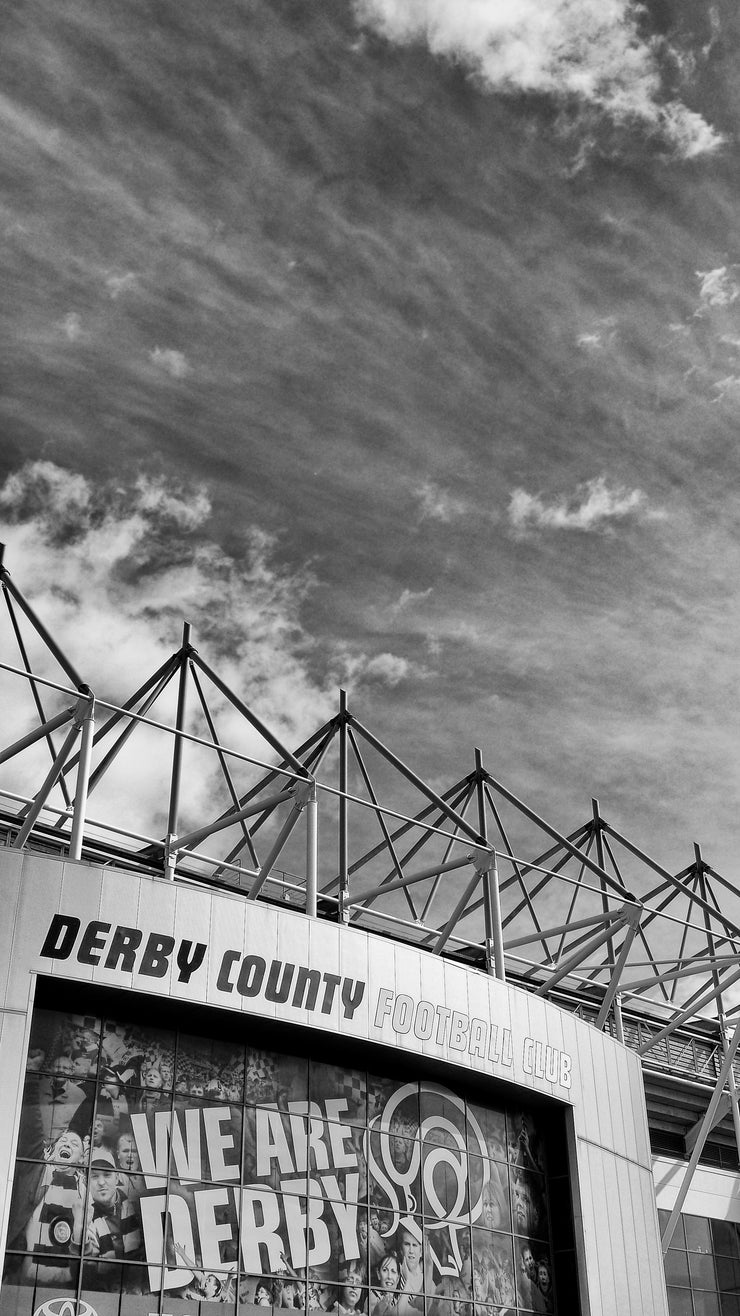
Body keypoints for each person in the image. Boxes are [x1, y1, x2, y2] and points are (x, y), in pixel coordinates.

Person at [83, 1148, 142, 1272]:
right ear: (86, 1182)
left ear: (116, 1178)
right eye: (94, 1176)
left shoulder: (136, 1207)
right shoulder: (84, 1216)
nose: (101, 1182)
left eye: (107, 1175)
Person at [396, 1221, 424, 1316]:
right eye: (407, 1244)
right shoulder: (393, 1275)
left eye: (415, 1245)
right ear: (401, 1250)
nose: (411, 1251)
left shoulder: (426, 1280)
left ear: (421, 1252)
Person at [370, 1251, 400, 1316]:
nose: (389, 1276)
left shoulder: (398, 1302)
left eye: (393, 1271)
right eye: (385, 1270)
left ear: (398, 1278)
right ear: (378, 1274)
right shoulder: (373, 1295)